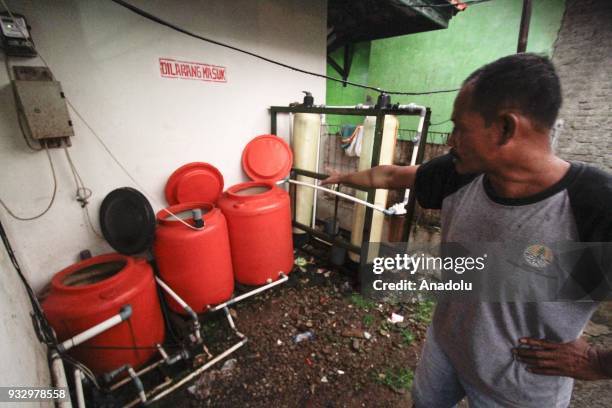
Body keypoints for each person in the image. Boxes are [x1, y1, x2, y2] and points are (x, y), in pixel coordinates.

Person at [321, 53, 612, 407]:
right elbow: (392, 175)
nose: (451, 140)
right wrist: (341, 177)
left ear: (506, 128)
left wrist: (597, 362)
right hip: (445, 349)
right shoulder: (462, 173)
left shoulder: (593, 204)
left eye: (460, 127)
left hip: (518, 387)